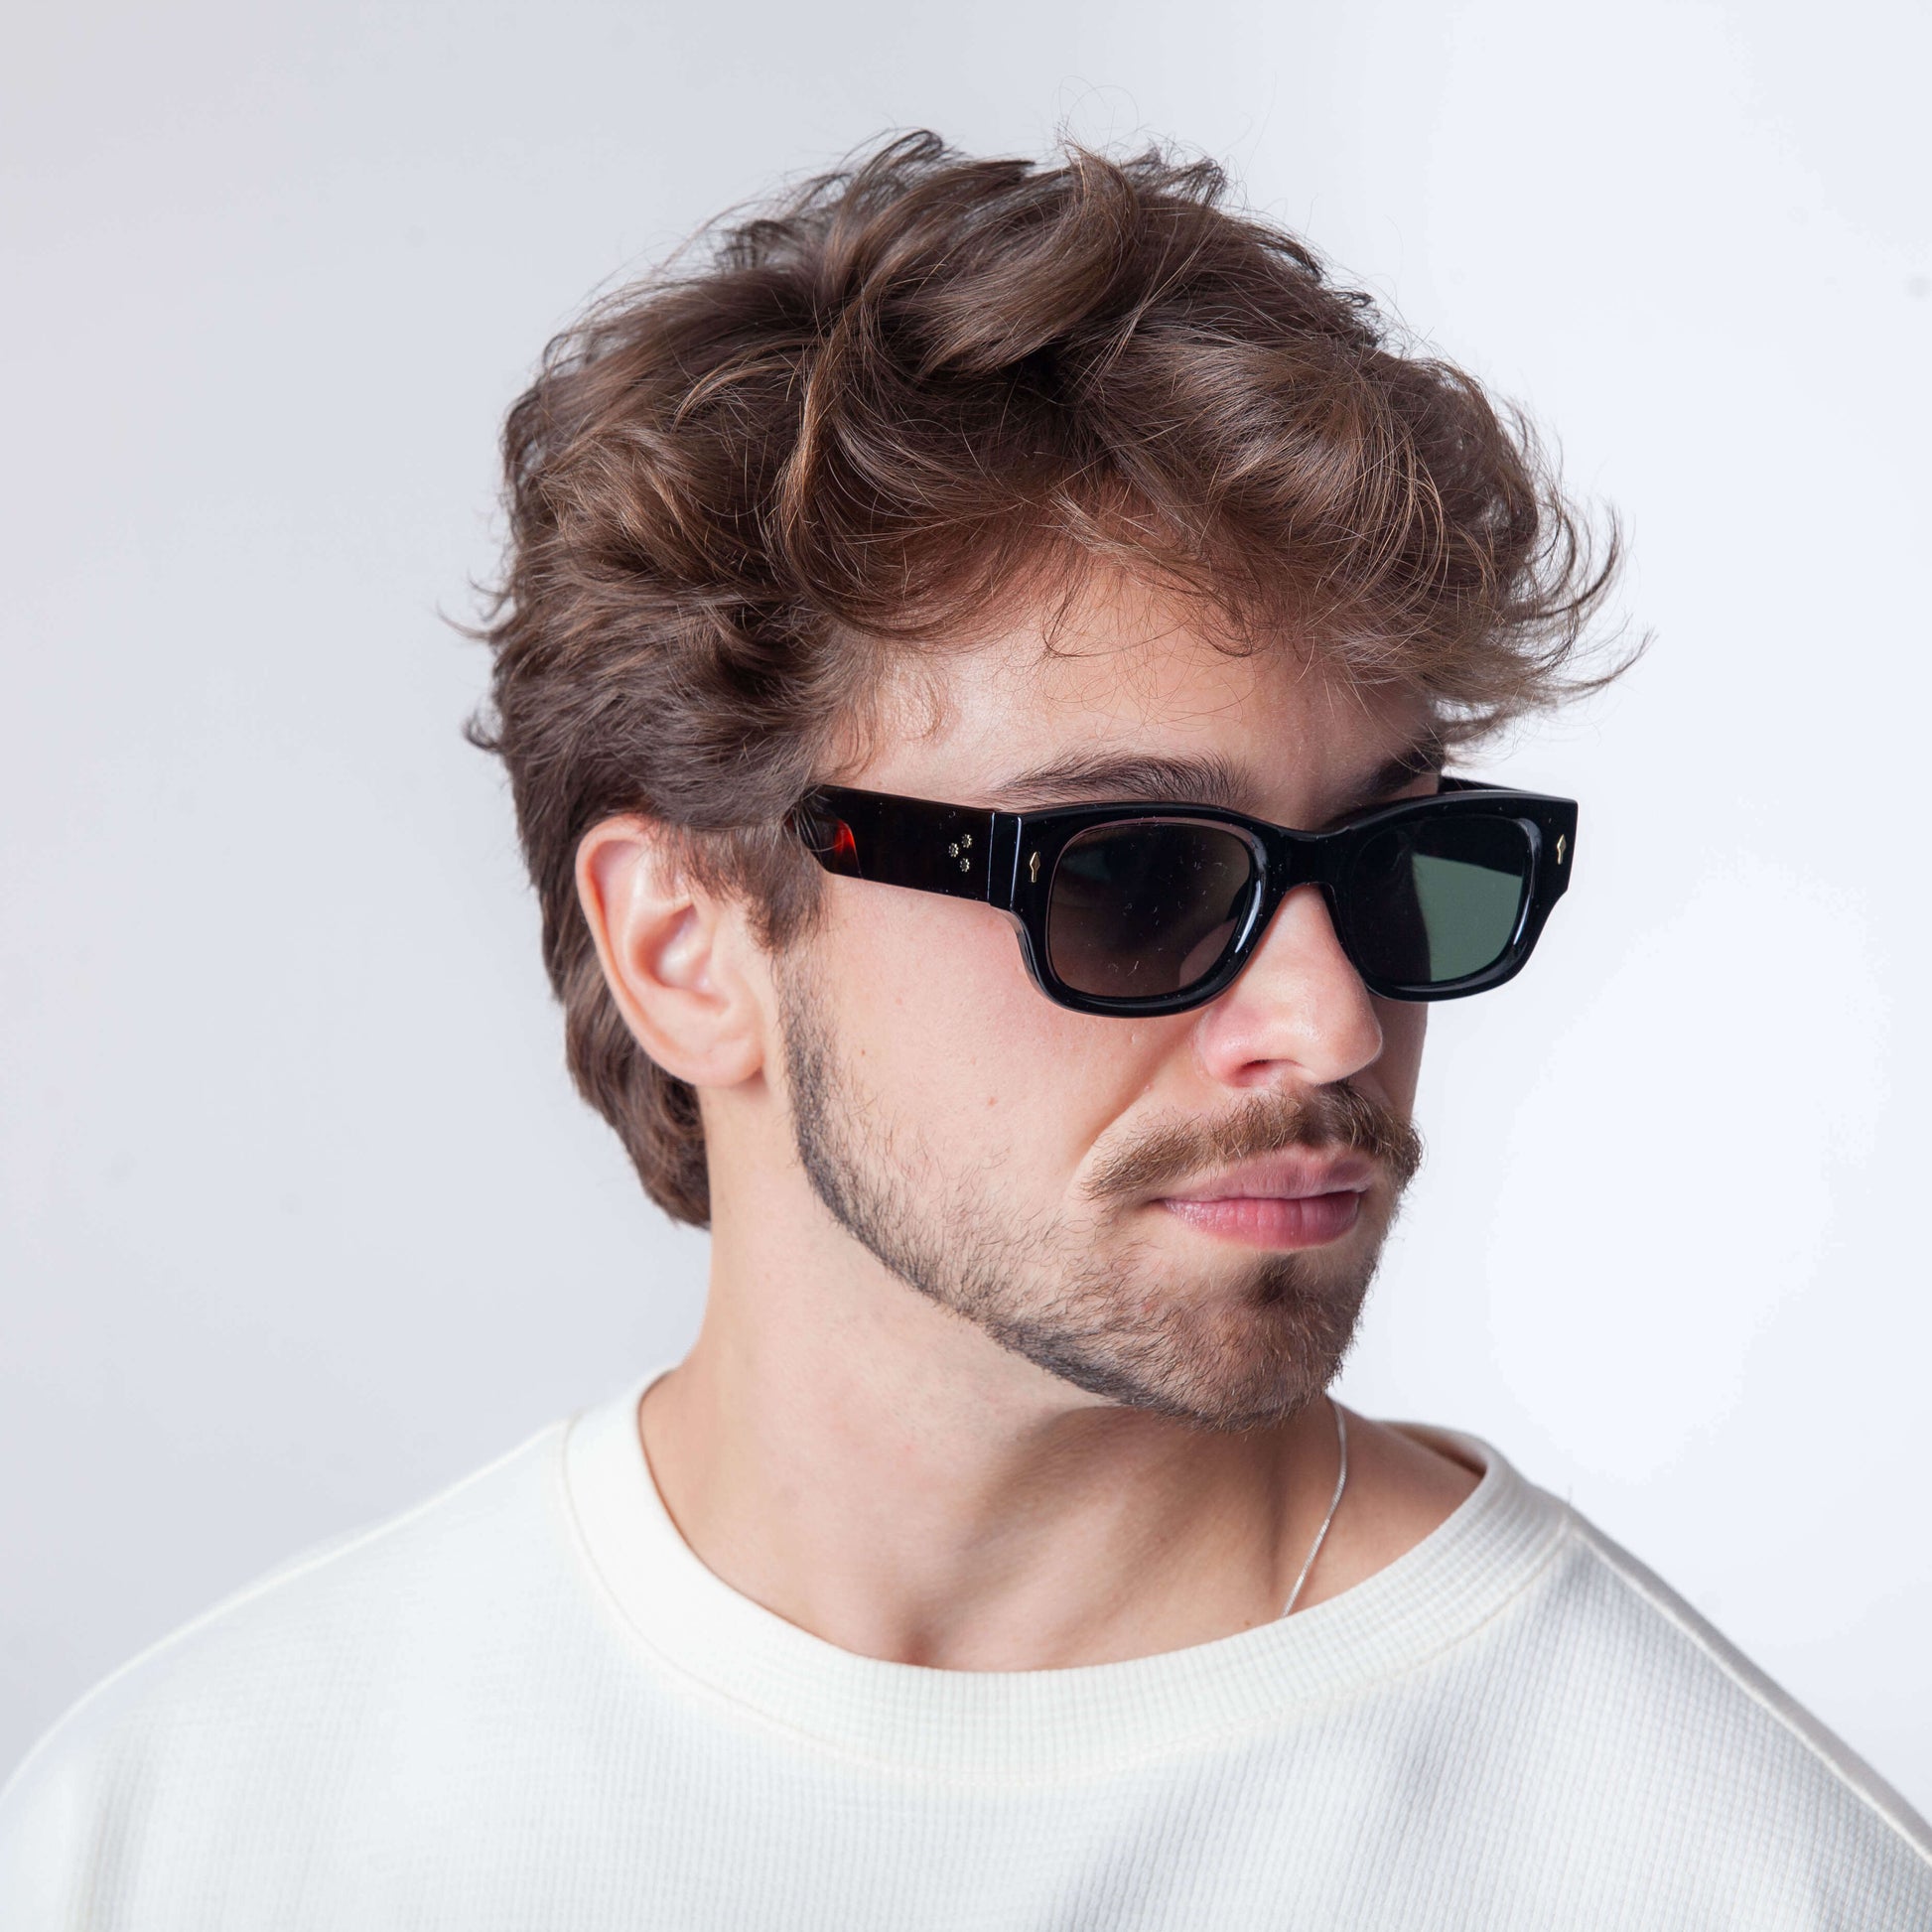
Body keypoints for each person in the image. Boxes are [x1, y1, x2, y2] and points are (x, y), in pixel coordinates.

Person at [2, 131, 1926, 1929]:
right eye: (1132, 875)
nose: (1334, 1014)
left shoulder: (1708, 1868)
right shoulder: (189, 1833)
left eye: (1400, 861)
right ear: (686, 943)